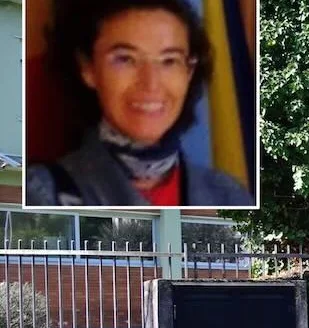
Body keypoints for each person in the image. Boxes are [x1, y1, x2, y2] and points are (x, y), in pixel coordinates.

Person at [25, 0, 253, 207]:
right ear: (88, 68)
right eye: (125, 59)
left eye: (169, 61)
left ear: (189, 71)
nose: (151, 84)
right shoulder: (41, 192)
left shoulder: (230, 196)